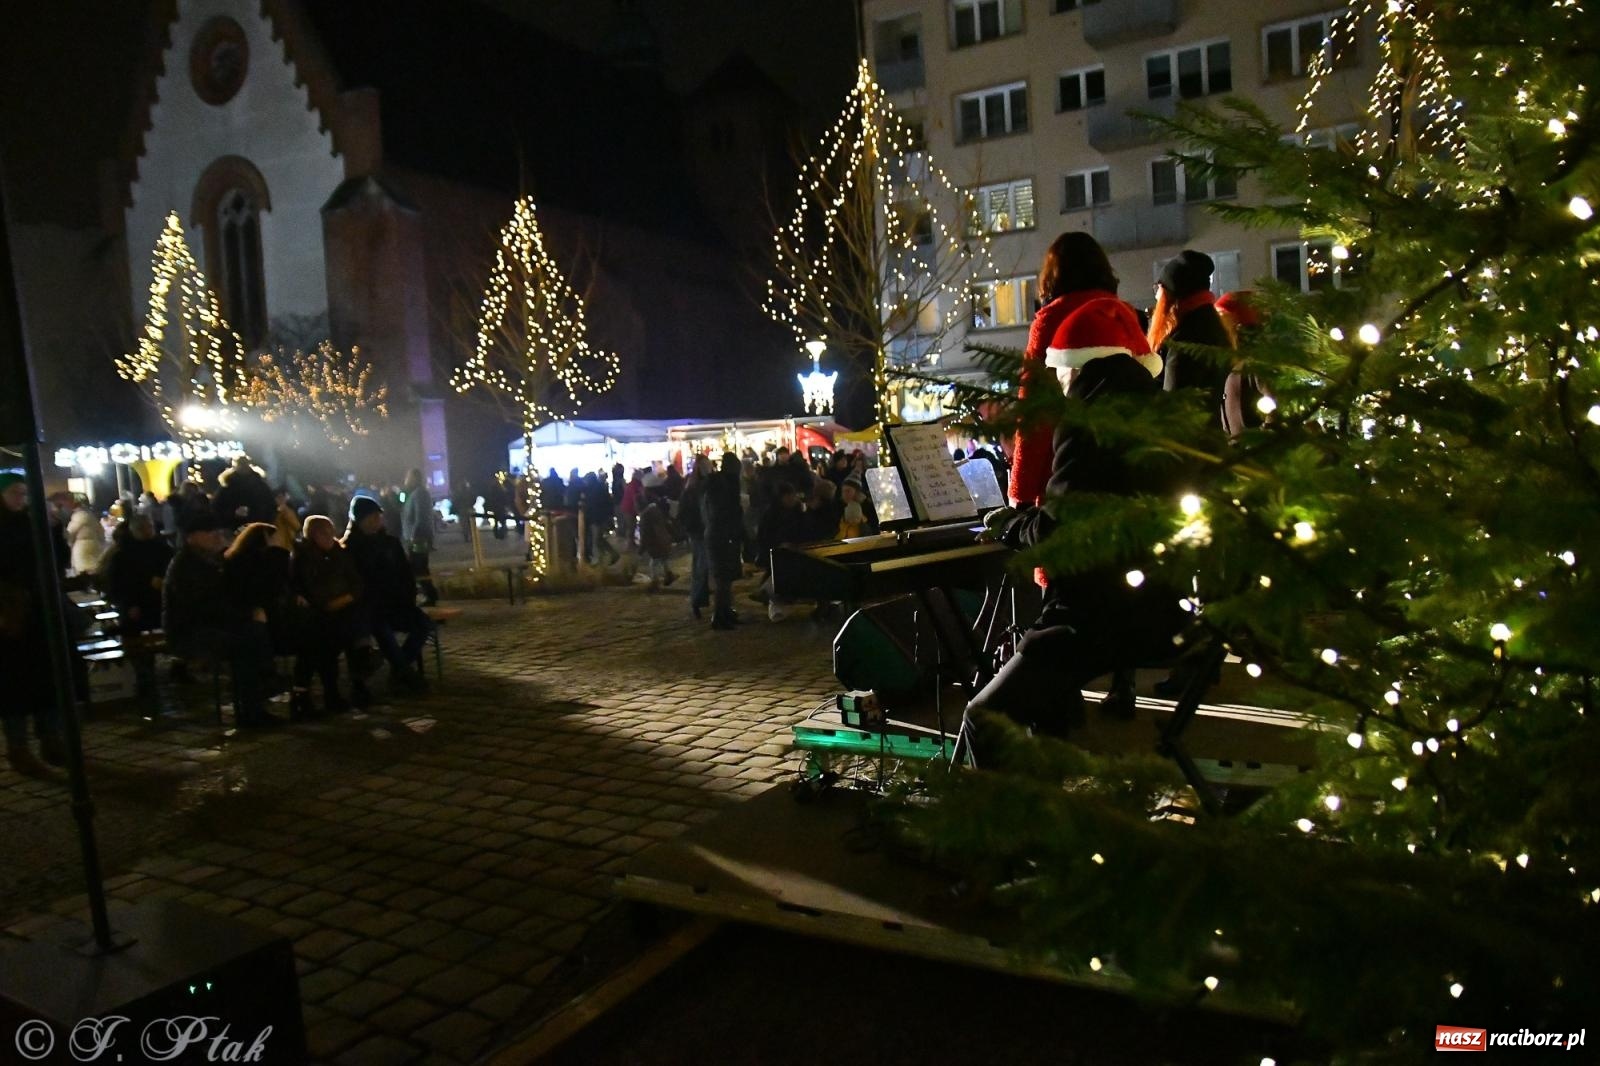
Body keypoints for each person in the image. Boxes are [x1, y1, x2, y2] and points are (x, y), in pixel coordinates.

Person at [965, 233, 1182, 758]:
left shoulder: (1079, 419)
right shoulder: (1147, 400)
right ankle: (1060, 728)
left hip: (1093, 610)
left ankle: (1000, 819)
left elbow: (1040, 444)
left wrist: (1016, 512)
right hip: (1158, 607)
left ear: (1071, 364)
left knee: (983, 715)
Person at [163, 512, 279, 727]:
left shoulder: (213, 560)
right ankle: (253, 706)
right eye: (208, 533)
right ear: (191, 537)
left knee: (255, 631)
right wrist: (244, 614)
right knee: (246, 641)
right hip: (191, 631)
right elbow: (203, 606)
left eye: (216, 532)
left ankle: (259, 693)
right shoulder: (185, 566)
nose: (215, 536)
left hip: (214, 623)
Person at [1, 472, 66, 770]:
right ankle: (18, 747)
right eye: (15, 493)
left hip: (37, 612)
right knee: (14, 686)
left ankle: (51, 739)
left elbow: (55, 560)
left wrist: (53, 531)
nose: (22, 499)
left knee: (44, 680)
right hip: (10, 617)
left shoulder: (31, 522)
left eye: (24, 494)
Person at [343, 496, 430, 692]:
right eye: (371, 517)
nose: (376, 520)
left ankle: (400, 670)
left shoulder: (390, 542)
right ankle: (405, 673)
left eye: (378, 516)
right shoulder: (351, 546)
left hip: (397, 603)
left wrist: (409, 596)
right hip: (370, 608)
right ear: (360, 519)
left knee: (423, 624)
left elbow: (405, 573)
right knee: (381, 628)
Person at [1152, 249, 1233, 427]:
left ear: (1172, 293)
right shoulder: (1212, 324)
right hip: (1211, 436)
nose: (1156, 296)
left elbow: (1174, 402)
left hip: (1189, 443)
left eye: (1159, 288)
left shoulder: (1185, 339)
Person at [292, 515, 364, 714]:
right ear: (313, 535)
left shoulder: (339, 554)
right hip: (314, 615)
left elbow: (356, 583)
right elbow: (310, 588)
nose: (330, 537)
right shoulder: (304, 557)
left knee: (337, 641)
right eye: (324, 533)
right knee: (317, 645)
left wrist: (344, 599)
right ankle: (307, 696)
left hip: (340, 610)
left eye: (331, 532)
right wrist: (326, 603)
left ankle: (337, 691)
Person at [105, 513, 173, 707]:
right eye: (143, 528)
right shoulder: (123, 554)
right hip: (135, 606)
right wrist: (129, 604)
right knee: (137, 644)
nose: (147, 531)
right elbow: (118, 584)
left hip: (157, 603)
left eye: (149, 527)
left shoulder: (161, 548)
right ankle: (144, 679)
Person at [702, 452, 744, 630]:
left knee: (726, 578)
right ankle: (720, 615)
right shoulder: (724, 484)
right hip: (722, 534)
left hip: (721, 533)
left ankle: (725, 611)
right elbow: (723, 511)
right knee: (723, 578)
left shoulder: (720, 482)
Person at [678, 456, 712, 618]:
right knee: (702, 564)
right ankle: (697, 599)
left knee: (701, 563)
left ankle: (699, 599)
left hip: (700, 528)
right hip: (700, 529)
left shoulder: (692, 486)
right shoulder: (696, 487)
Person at [401, 468, 439, 607]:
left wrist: (413, 537)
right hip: (416, 537)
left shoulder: (419, 494)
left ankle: (429, 595)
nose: (405, 480)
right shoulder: (415, 494)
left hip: (418, 539)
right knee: (419, 568)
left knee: (418, 568)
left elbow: (420, 518)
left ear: (414, 478)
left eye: (408, 477)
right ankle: (429, 594)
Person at [214, 455, 276, 531]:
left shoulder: (259, 484)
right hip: (238, 526)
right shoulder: (228, 486)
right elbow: (217, 508)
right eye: (241, 464)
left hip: (259, 525)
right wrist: (233, 513)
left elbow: (271, 505)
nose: (243, 467)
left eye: (244, 464)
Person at [637, 493, 678, 591]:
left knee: (654, 562)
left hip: (655, 542)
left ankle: (655, 582)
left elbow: (645, 534)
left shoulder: (645, 516)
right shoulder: (655, 510)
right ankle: (668, 575)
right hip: (663, 539)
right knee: (663, 558)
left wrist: (641, 549)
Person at [65, 495, 105, 576]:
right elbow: (101, 532)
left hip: (82, 547)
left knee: (83, 570)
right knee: (94, 569)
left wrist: (69, 542)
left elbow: (70, 533)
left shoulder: (78, 516)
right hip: (95, 544)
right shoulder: (91, 516)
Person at [836, 475, 876, 539]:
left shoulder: (867, 507)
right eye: (843, 491)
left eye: (848, 491)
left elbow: (874, 527)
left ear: (857, 491)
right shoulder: (839, 507)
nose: (844, 494)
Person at [272, 487, 301, 551]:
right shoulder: (285, 509)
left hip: (276, 543)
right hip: (286, 543)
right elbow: (296, 526)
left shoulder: (274, 512)